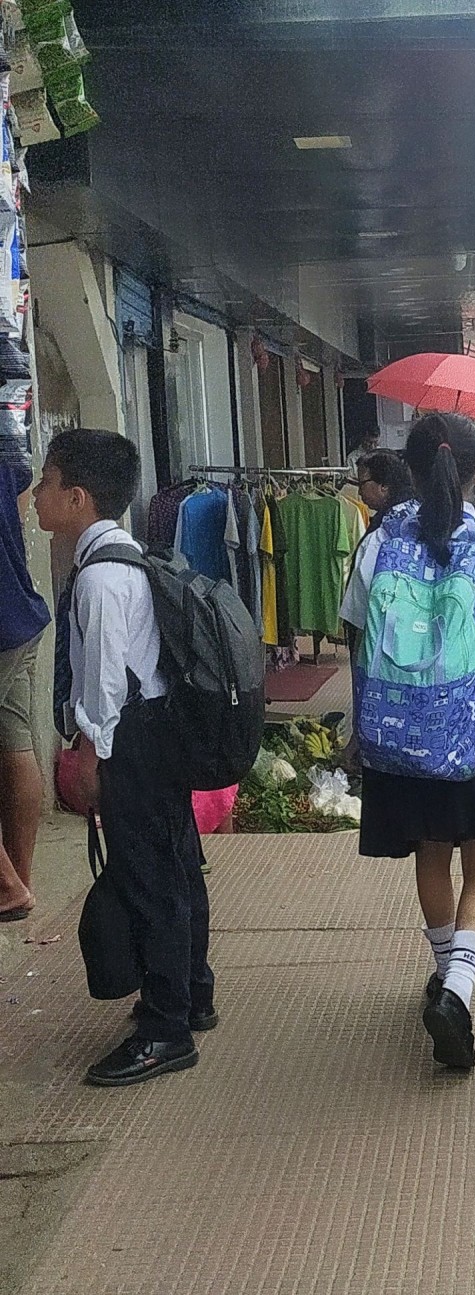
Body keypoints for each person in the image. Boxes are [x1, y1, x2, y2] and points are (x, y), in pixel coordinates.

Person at [341, 413, 475, 1072]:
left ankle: (445, 977)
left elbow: (356, 638)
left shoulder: (377, 544)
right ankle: (459, 990)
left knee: (431, 853)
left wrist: (360, 724)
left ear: (407, 466)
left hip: (400, 732)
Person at [34, 428, 215, 1088]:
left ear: (78, 496)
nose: (35, 495)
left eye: (46, 481)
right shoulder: (126, 556)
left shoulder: (101, 578)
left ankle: (166, 1030)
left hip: (130, 741)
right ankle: (193, 993)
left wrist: (90, 756)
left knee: (150, 878)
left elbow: (104, 683)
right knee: (175, 865)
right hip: (156, 732)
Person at [0, 454, 49, 921]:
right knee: (15, 745)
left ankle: (8, 885)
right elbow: (18, 501)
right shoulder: (7, 454)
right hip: (20, 614)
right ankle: (18, 882)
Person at [356, 449, 413, 533]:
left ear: (384, 485)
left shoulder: (386, 524)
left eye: (362, 484)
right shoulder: (415, 507)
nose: (359, 492)